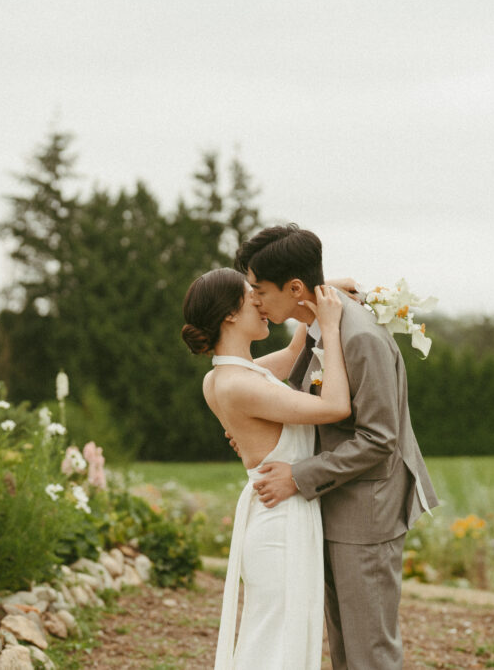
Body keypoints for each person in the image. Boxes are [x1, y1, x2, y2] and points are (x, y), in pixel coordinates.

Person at [236, 224, 439, 670]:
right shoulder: (321, 325)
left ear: (293, 288)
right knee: (345, 648)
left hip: (368, 513)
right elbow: (295, 390)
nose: (253, 300)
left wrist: (298, 476)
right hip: (336, 504)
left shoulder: (359, 336)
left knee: (371, 652)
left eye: (258, 290)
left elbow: (379, 439)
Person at [181, 267, 351, 670]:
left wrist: (320, 294)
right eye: (250, 295)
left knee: (280, 638)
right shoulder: (236, 384)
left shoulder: (231, 375)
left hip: (283, 515)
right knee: (275, 645)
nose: (261, 302)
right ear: (229, 315)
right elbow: (335, 407)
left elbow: (294, 356)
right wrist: (330, 329)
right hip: (281, 525)